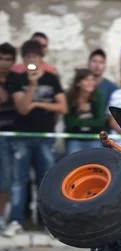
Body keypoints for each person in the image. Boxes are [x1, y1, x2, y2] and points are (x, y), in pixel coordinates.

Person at [3, 39, 67, 238]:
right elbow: (22, 108)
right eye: (28, 57)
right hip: (22, 136)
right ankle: (16, 220)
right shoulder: (18, 79)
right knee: (18, 181)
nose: (32, 61)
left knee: (46, 181)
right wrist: (32, 85)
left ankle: (48, 223)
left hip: (45, 137)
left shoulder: (51, 78)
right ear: (23, 60)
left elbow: (63, 107)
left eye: (35, 57)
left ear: (41, 58)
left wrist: (39, 105)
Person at [64, 68, 106, 153]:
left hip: (94, 138)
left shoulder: (98, 96)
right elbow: (68, 123)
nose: (91, 83)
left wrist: (79, 122)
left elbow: (100, 121)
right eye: (87, 80)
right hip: (74, 138)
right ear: (78, 83)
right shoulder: (70, 97)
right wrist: (79, 110)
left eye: (92, 80)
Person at [0, 42, 17, 233]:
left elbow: (4, 98)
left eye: (8, 60)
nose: (4, 63)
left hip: (10, 134)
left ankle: (1, 218)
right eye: (1, 59)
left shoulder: (15, 79)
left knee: (5, 180)